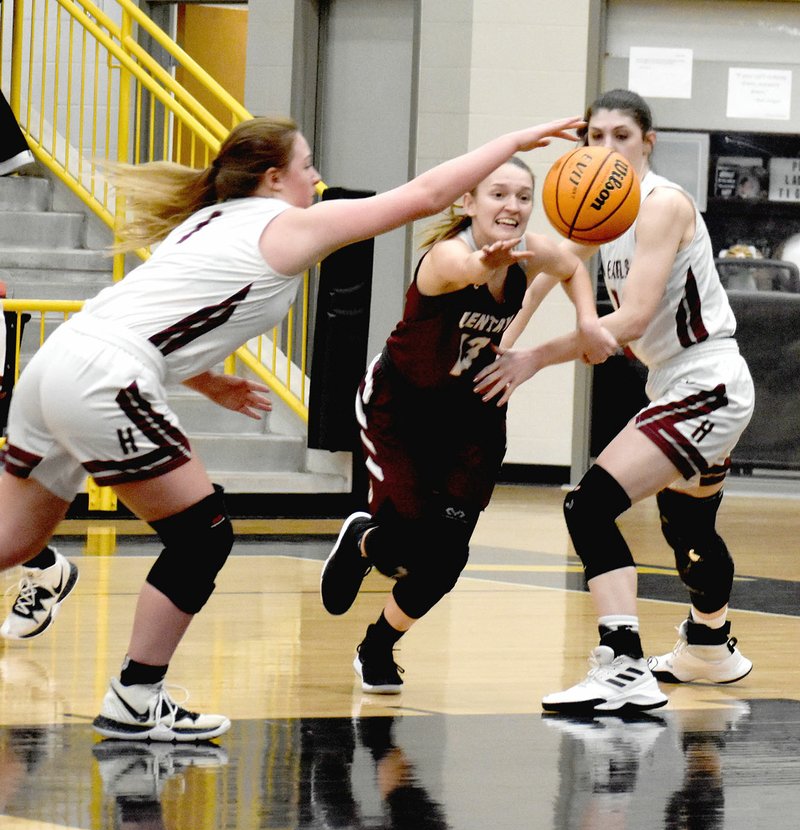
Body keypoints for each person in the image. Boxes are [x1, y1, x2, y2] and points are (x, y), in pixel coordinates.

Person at [0, 113, 588, 740]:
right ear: (276, 178)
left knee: (13, 543)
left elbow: (154, 306)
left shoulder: (207, 220)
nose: (318, 177)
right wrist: (515, 141)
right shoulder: (292, 226)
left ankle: (133, 693)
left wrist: (207, 379)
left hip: (57, 363)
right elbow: (425, 197)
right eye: (308, 165)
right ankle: (136, 699)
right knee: (202, 538)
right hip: (103, 375)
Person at [475, 89, 755, 714]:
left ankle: (623, 665)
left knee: (588, 505)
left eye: (620, 136)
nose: (604, 150)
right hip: (685, 384)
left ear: (647, 142)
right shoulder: (599, 214)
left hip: (705, 382)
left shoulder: (661, 206)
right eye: (594, 137)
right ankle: (710, 646)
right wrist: (502, 343)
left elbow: (628, 320)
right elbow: (546, 276)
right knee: (689, 525)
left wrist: (530, 362)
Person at [319, 155, 617, 694]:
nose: (513, 206)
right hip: (400, 412)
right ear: (467, 202)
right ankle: (362, 540)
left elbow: (572, 266)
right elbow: (466, 271)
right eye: (499, 194)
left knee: (447, 559)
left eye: (523, 196)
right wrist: (488, 263)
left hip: (473, 420)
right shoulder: (447, 255)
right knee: (409, 546)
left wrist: (588, 322)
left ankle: (378, 645)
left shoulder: (531, 251)